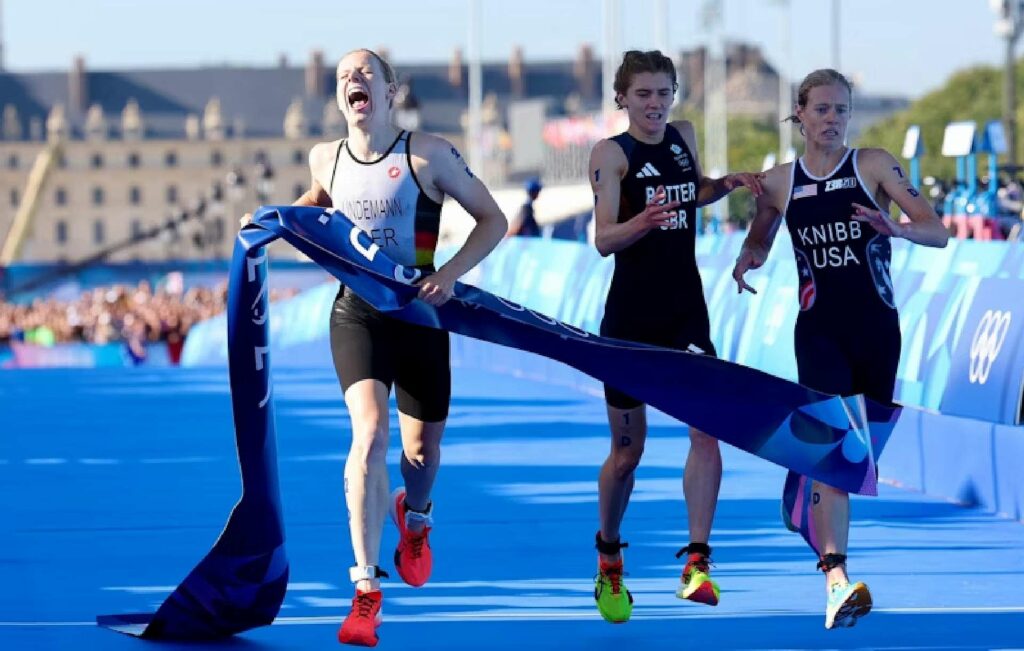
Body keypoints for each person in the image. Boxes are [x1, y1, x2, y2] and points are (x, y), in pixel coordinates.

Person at [245, 49, 507, 646]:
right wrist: (266, 223)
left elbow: (492, 220)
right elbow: (315, 205)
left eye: (366, 74)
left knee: (420, 453)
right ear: (340, 100)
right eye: (343, 78)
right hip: (357, 312)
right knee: (368, 436)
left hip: (420, 312)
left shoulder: (429, 155)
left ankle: (415, 518)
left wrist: (452, 274)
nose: (353, 82)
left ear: (392, 92)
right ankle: (365, 589)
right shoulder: (326, 157)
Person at [732, 68, 948, 629]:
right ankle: (836, 579)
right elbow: (761, 233)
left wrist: (895, 227)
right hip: (820, 332)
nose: (832, 120)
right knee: (839, 455)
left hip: (878, 331)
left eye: (842, 110)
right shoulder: (780, 180)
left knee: (858, 460)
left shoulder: (872, 164)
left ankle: (800, 490)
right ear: (799, 114)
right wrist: (747, 259)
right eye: (822, 109)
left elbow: (937, 230)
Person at [587, 49, 764, 624]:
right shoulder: (611, 155)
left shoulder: (683, 136)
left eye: (664, 93)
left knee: (705, 433)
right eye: (644, 95)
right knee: (627, 454)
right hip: (630, 323)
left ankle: (697, 562)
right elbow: (603, 240)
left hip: (686, 314)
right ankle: (609, 553)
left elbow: (694, 190)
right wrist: (643, 221)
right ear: (622, 99)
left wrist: (727, 185)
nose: (656, 105)